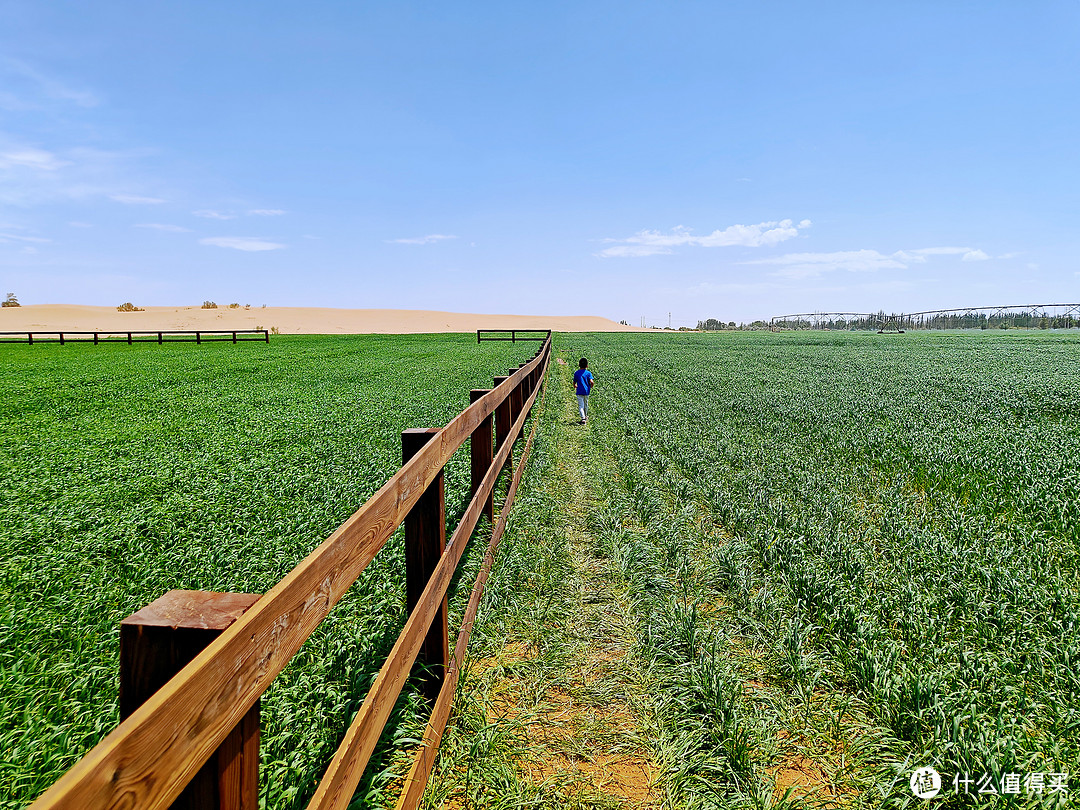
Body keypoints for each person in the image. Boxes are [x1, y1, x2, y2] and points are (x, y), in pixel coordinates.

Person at [573, 357, 594, 424]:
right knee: (586, 404)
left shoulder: (576, 373)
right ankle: (585, 416)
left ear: (579, 365)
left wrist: (574, 386)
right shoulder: (588, 373)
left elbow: (574, 382)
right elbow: (592, 381)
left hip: (579, 391)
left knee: (581, 405)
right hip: (586, 391)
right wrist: (591, 386)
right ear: (587, 366)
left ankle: (583, 418)